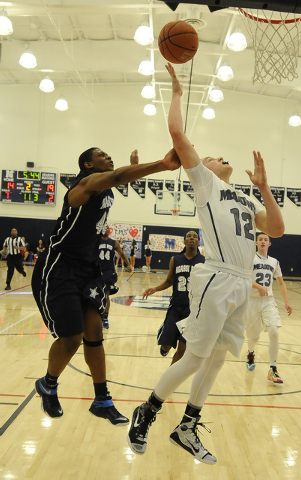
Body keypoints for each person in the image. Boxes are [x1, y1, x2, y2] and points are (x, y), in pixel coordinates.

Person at [127, 63, 285, 464]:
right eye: (212, 156)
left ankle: (188, 425)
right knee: (195, 356)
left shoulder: (248, 201)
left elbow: (279, 229)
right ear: (205, 168)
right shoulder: (206, 183)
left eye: (215, 156)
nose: (217, 157)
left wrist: (264, 188)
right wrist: (177, 91)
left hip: (243, 284)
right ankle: (147, 411)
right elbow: (178, 135)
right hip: (215, 276)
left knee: (215, 359)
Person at [31, 146, 180, 425]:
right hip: (60, 266)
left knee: (95, 331)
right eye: (102, 154)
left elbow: (117, 179)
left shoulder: (106, 187)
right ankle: (48, 384)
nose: (108, 156)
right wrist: (161, 164)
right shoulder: (83, 185)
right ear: (88, 164)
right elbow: (114, 178)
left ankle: (102, 400)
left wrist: (133, 171)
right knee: (72, 339)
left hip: (87, 268)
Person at [143, 231, 205, 364]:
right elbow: (169, 281)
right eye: (188, 236)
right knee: (166, 345)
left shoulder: (204, 262)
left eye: (195, 236)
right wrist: (155, 288)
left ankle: (169, 379)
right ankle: (164, 334)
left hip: (193, 311)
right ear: (184, 241)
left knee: (182, 349)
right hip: (176, 307)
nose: (192, 238)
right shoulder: (175, 260)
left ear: (198, 242)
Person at [245, 232, 292, 383]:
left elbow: (281, 283)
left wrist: (286, 301)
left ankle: (273, 369)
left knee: (274, 332)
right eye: (260, 239)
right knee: (254, 337)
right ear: (256, 243)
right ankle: (251, 353)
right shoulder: (249, 259)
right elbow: (243, 277)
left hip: (268, 301)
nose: (263, 241)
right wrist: (258, 286)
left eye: (266, 240)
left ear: (270, 244)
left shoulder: (274, 262)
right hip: (251, 301)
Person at [99, 226, 131, 329]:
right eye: (104, 227)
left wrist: (128, 264)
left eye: (107, 227)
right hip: (96, 271)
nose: (106, 229)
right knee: (96, 295)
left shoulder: (114, 242)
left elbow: (121, 254)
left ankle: (105, 318)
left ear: (109, 230)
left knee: (106, 294)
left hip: (109, 271)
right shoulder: (95, 241)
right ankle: (95, 316)